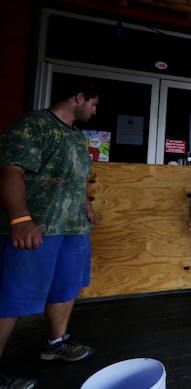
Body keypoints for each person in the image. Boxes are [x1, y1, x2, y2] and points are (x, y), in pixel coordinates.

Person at [0, 82, 100, 388]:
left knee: (66, 289)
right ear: (79, 97)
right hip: (37, 229)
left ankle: (55, 345)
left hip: (72, 229)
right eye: (94, 104)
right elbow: (9, 171)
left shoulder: (76, 135)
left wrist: (86, 208)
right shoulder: (34, 124)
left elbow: (77, 178)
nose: (95, 110)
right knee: (12, 299)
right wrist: (21, 219)